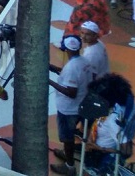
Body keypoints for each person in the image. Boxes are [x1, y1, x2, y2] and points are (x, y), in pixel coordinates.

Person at [49, 35, 92, 175]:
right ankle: (66, 153)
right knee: (70, 135)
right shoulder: (83, 61)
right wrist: (52, 67)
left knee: (67, 138)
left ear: (66, 49)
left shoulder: (72, 68)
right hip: (80, 106)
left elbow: (71, 92)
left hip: (68, 110)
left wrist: (49, 81)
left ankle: (69, 166)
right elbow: (72, 76)